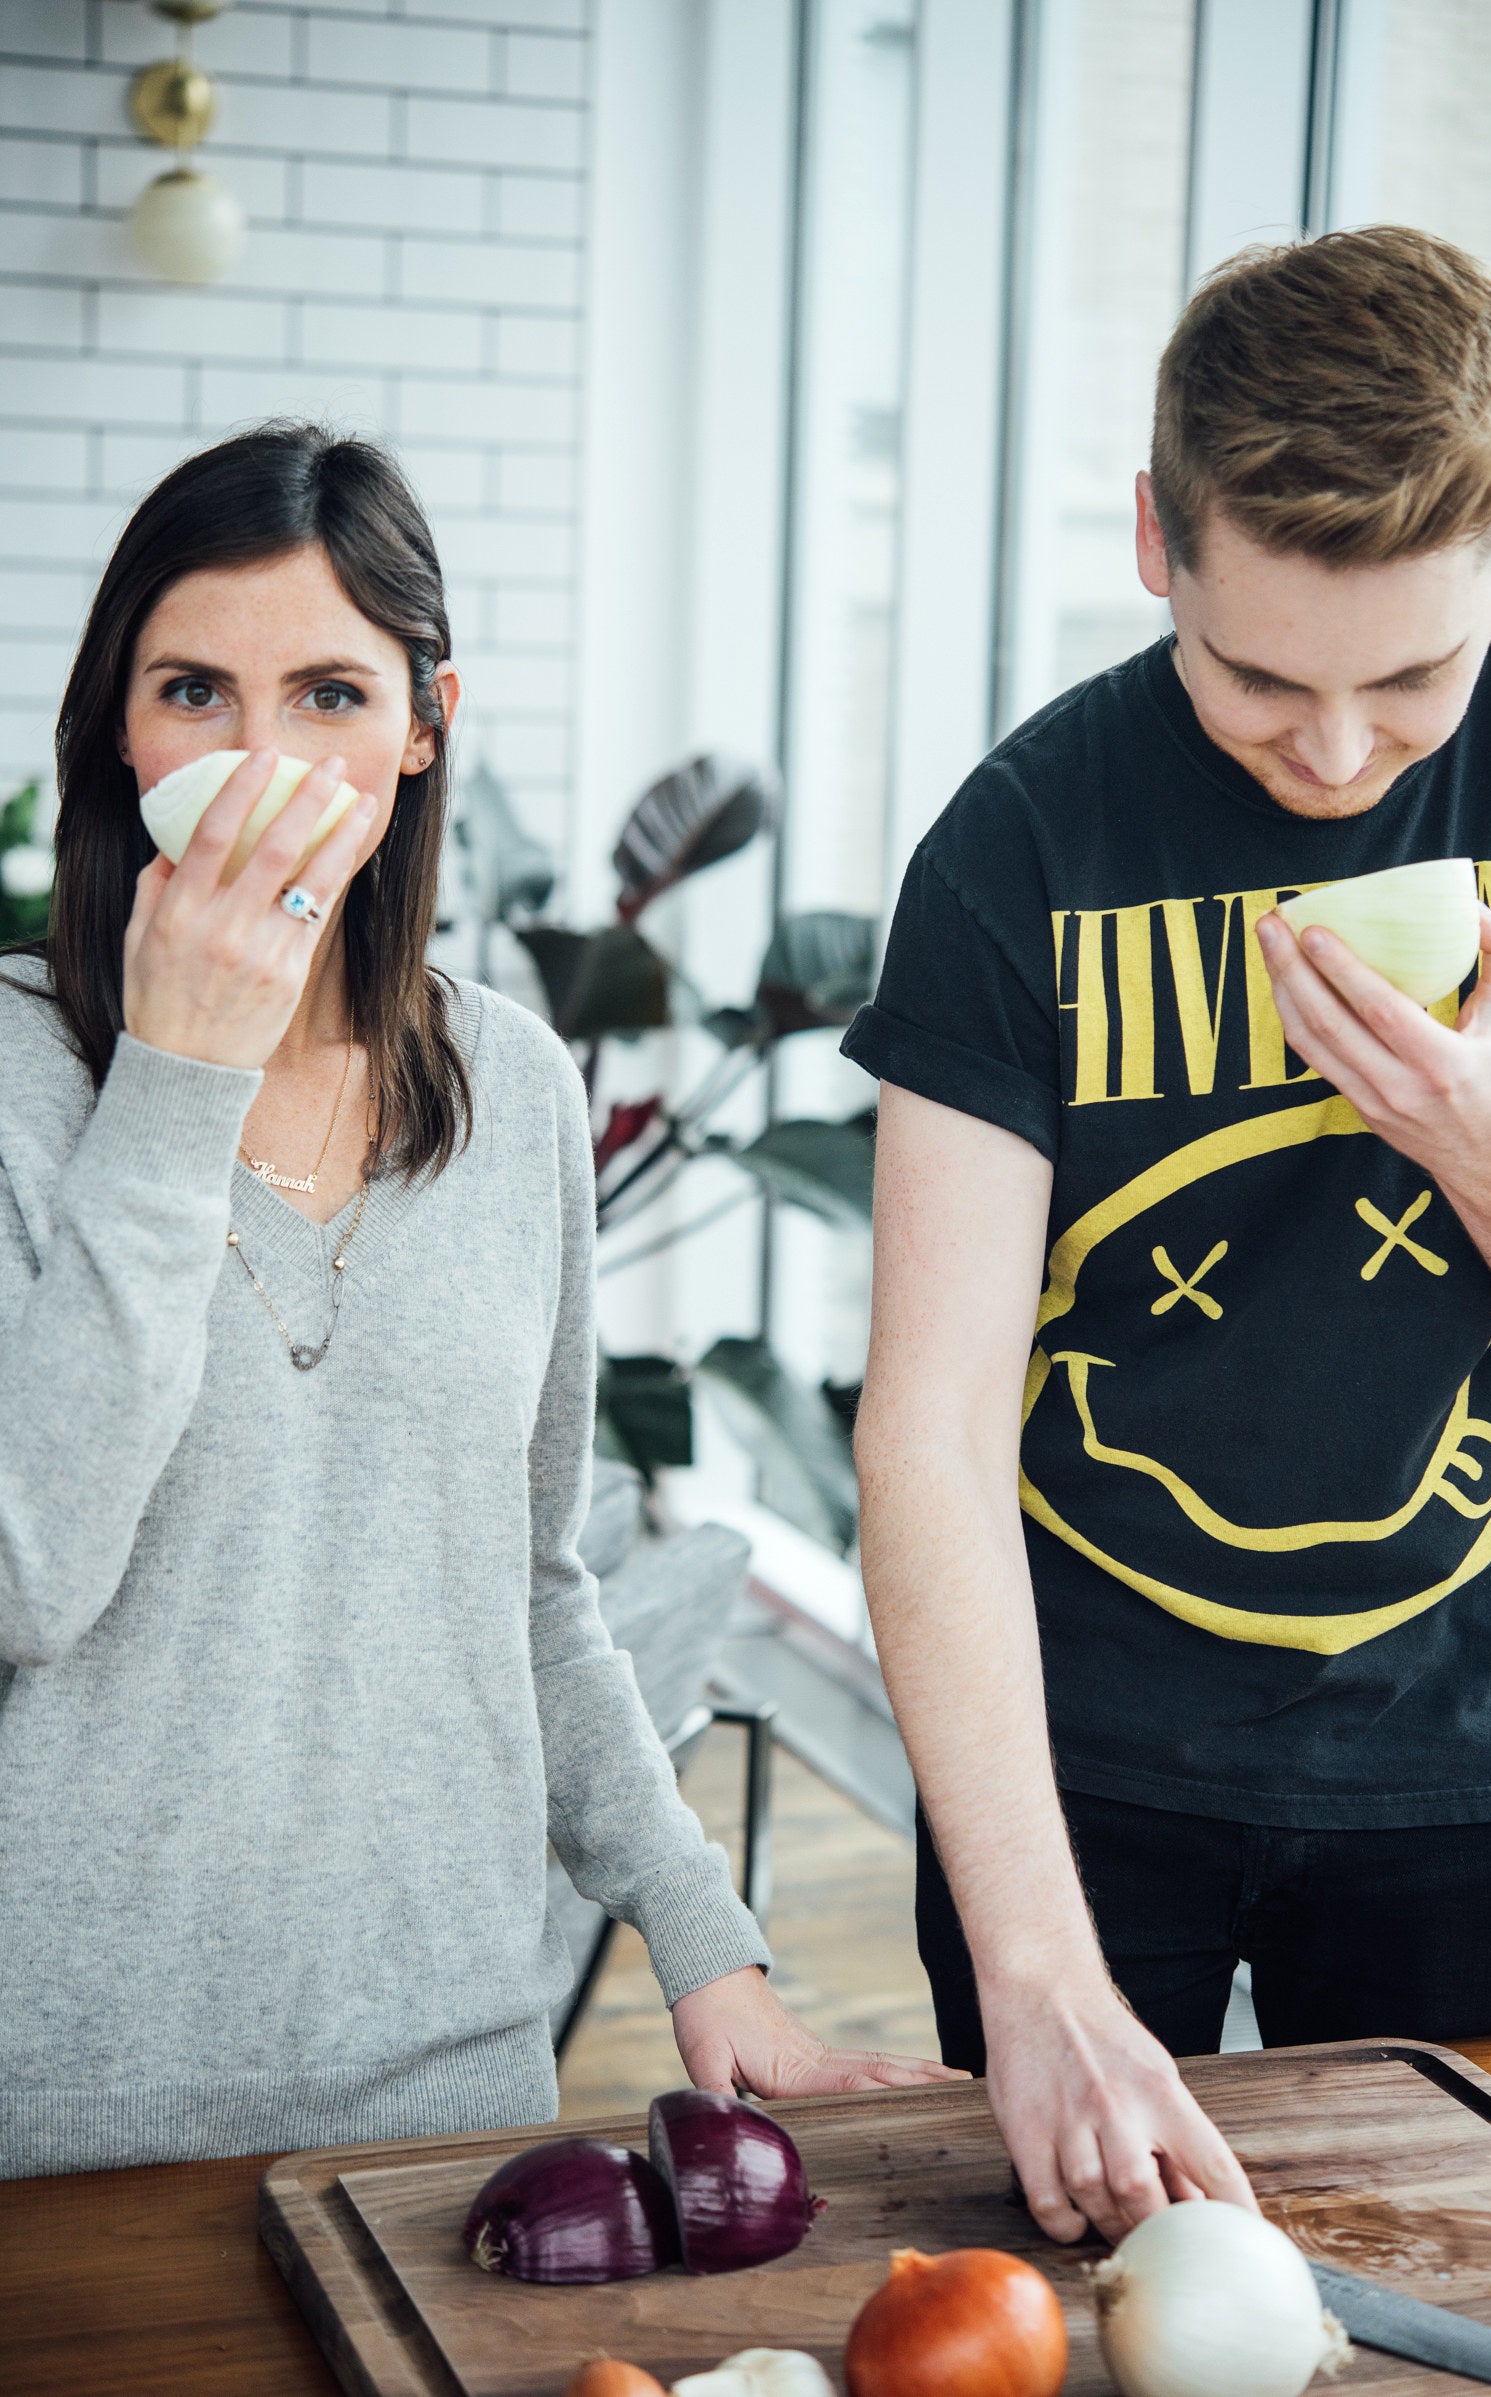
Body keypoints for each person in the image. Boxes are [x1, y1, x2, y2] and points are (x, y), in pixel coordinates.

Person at [0, 423, 955, 2181]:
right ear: (114, 731)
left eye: (333, 696)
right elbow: (27, 1575)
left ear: (426, 722)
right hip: (63, 2107)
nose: (263, 756)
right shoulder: (11, 1083)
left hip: (446, 2083)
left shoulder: (512, 1092)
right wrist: (175, 1081)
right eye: (195, 690)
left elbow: (531, 1580)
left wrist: (703, 1935)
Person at [846, 225, 1491, 2248]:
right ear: (1155, 546)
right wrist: (1031, 1970)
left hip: (1475, 1776)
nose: (1332, 755)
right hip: (1071, 1789)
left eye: (1409, 679)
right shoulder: (1022, 839)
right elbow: (919, 1433)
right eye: (1258, 674)